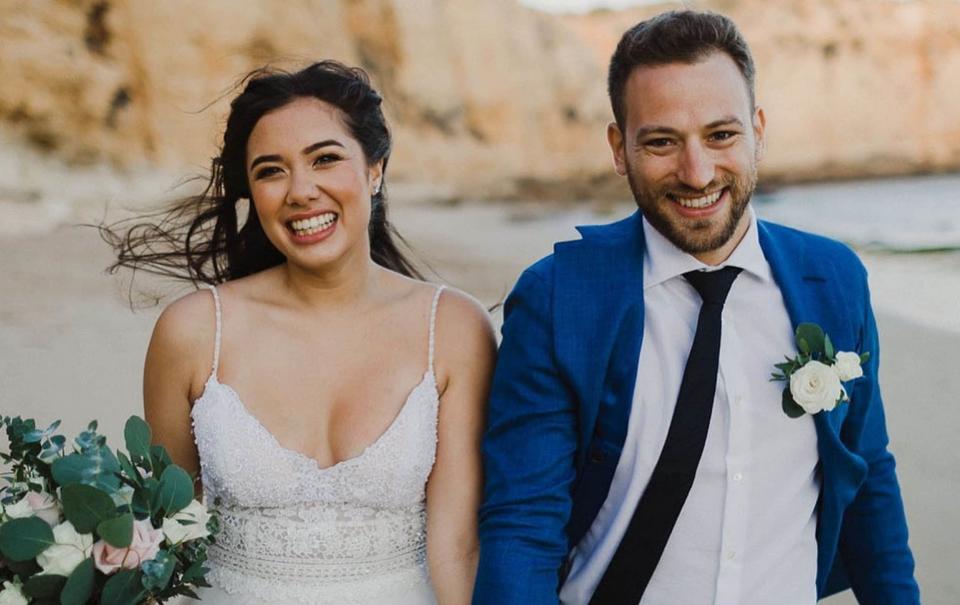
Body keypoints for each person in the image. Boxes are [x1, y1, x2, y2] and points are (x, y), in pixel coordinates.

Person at [474, 10, 919, 605]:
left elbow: (867, 479)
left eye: (721, 135)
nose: (697, 172)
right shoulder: (558, 298)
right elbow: (522, 526)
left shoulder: (833, 278)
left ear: (758, 130)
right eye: (661, 141)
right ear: (619, 147)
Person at [105, 61, 495, 604]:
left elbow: (457, 548)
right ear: (252, 192)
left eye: (326, 159)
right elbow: (163, 538)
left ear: (375, 170)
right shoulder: (193, 331)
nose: (301, 190)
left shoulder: (453, 328)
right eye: (271, 171)